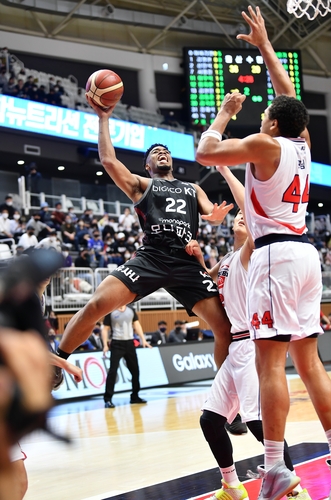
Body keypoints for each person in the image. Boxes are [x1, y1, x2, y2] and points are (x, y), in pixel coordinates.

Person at [196, 6, 331, 500]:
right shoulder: (304, 144)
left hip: (273, 256)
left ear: (271, 123)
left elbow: (206, 152)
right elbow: (288, 95)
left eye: (265, 115)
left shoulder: (264, 143)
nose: (263, 115)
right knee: (312, 364)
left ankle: (274, 466)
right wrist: (265, 47)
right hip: (306, 255)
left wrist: (226, 114)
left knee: (270, 364)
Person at [57, 97, 233, 372]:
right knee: (96, 305)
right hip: (152, 257)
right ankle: (58, 362)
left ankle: (226, 400)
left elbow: (211, 215)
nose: (162, 152)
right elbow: (108, 160)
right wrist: (104, 118)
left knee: (225, 329)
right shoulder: (142, 185)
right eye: (156, 152)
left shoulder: (192, 189)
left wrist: (215, 217)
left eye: (166, 151)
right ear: (147, 166)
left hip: (186, 264)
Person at [188, 166, 308, 500]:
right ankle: (231, 485)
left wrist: (225, 169)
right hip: (235, 352)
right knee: (210, 421)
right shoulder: (226, 259)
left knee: (260, 425)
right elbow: (207, 285)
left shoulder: (251, 252)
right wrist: (197, 259)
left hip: (253, 347)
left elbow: (254, 215)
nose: (242, 217)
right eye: (238, 216)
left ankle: (296, 489)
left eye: (245, 216)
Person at [101, 305, 151, 408]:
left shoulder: (131, 310)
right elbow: (105, 329)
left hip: (129, 343)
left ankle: (135, 396)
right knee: (112, 372)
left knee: (135, 371)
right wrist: (105, 345)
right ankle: (108, 399)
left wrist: (143, 340)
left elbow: (137, 325)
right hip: (116, 343)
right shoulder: (111, 310)